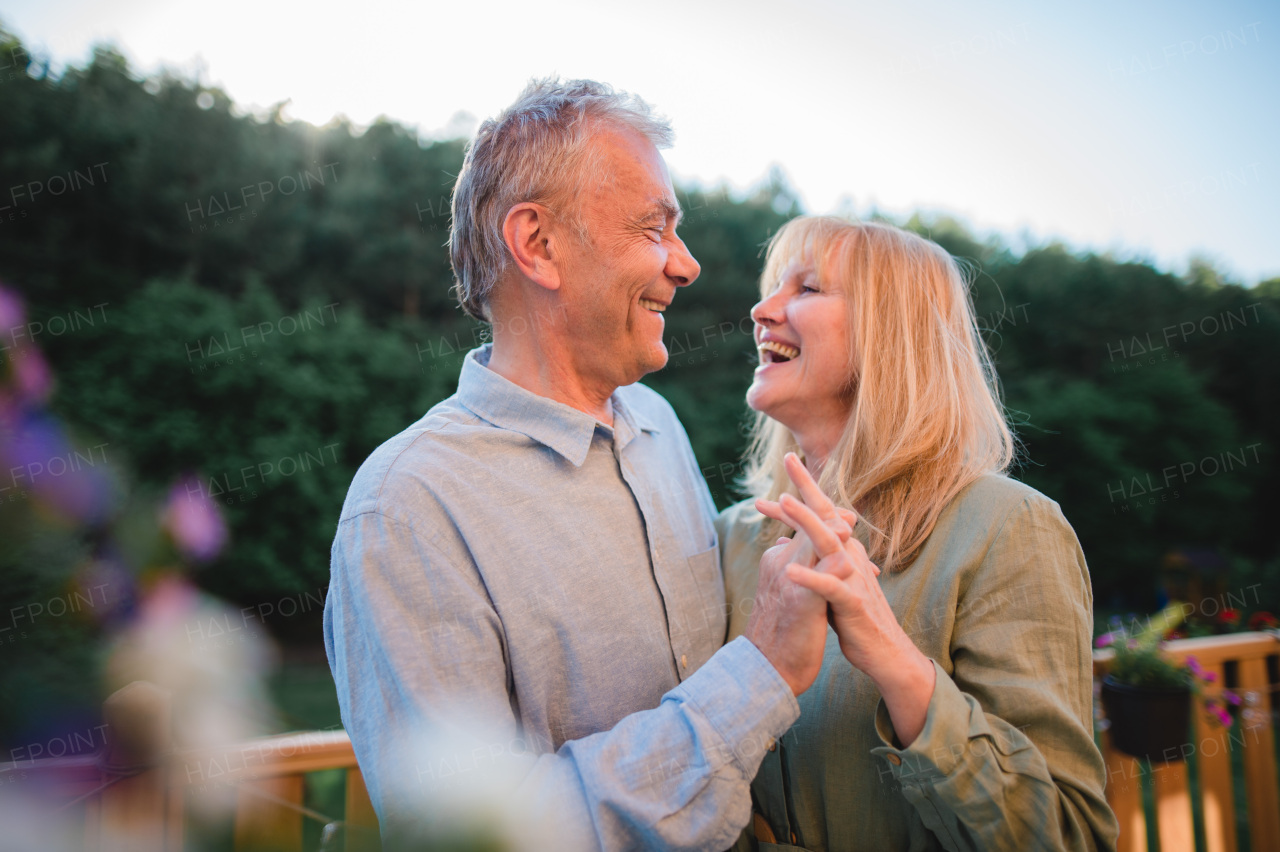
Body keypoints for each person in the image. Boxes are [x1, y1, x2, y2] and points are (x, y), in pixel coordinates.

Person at [323, 79, 849, 851]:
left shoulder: (659, 427)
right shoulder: (406, 509)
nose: (688, 264)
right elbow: (470, 839)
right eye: (653, 229)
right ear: (538, 245)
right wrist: (761, 673)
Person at [717, 216, 1119, 850]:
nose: (762, 310)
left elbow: (1068, 835)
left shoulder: (1010, 528)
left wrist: (894, 659)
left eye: (809, 289)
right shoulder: (731, 539)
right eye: (773, 289)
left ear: (891, 334)